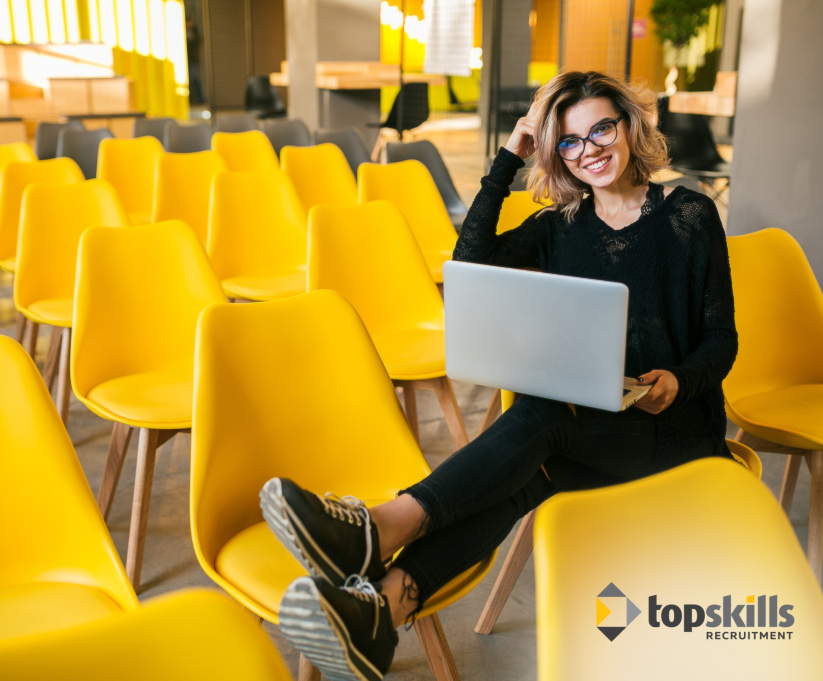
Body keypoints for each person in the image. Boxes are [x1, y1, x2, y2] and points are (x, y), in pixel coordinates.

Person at [262, 70, 738, 681]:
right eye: (568, 141)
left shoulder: (689, 215)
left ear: (630, 125)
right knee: (522, 473)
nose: (589, 150)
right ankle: (385, 606)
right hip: (593, 427)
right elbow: (470, 263)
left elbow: (721, 341)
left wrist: (676, 381)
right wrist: (507, 159)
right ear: (553, 152)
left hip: (677, 434)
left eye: (601, 129)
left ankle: (381, 529)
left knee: (539, 418)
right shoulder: (561, 225)